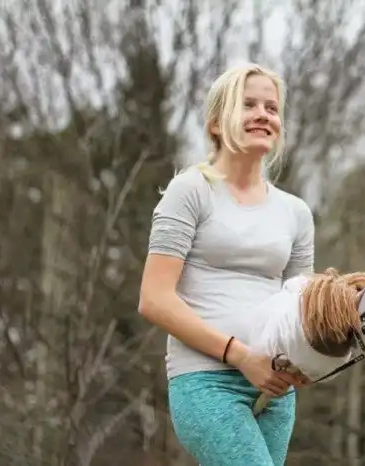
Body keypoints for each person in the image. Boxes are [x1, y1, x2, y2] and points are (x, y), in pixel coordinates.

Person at [138, 63, 315, 466]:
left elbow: (301, 311)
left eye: (271, 108)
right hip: (206, 382)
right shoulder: (189, 191)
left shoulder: (296, 213)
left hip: (275, 388)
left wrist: (316, 352)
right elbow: (154, 299)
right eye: (248, 104)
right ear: (217, 123)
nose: (262, 115)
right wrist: (240, 356)